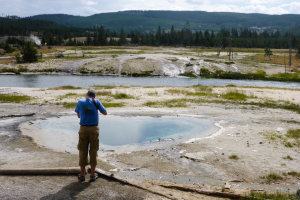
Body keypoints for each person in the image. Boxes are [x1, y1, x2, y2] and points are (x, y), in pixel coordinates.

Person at [75, 89, 107, 182]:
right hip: (94, 129)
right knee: (93, 151)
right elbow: (105, 113)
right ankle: (92, 175)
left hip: (83, 129)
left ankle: (82, 175)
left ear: (86, 94)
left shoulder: (80, 101)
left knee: (82, 150)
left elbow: (78, 115)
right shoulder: (96, 101)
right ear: (95, 96)